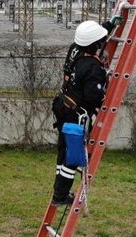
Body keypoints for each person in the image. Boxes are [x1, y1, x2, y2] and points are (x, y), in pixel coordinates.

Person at [50, 18, 119, 206]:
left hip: (63, 107)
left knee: (63, 152)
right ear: (95, 44)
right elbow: (93, 97)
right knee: (72, 158)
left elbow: (91, 38)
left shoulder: (75, 49)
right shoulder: (93, 67)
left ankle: (58, 191)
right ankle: (60, 196)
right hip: (76, 115)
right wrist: (106, 81)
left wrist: (109, 25)